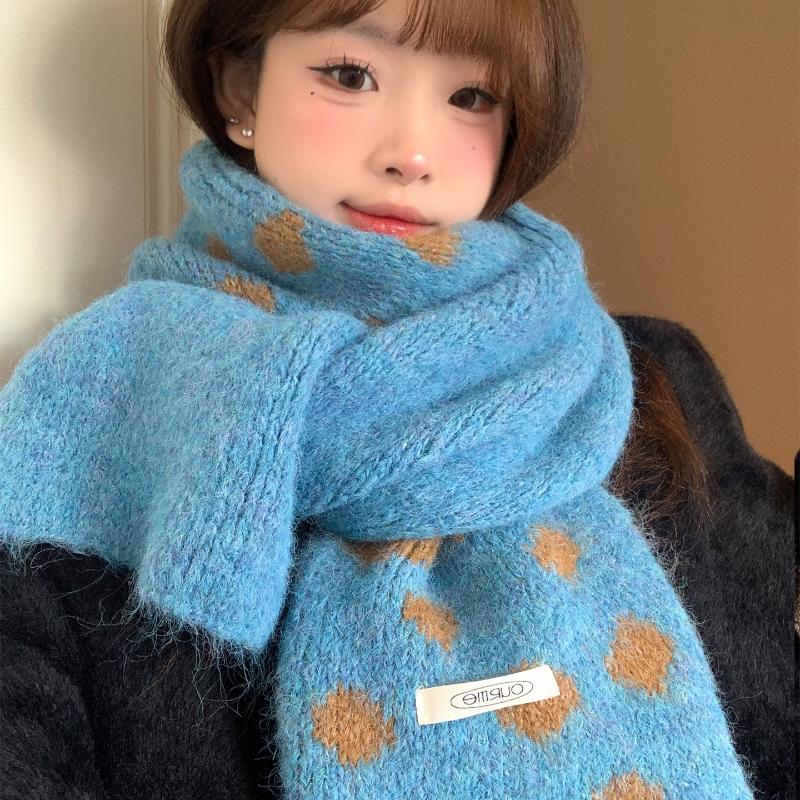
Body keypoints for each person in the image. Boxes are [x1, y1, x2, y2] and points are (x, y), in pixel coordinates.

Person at [0, 0, 786, 797]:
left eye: (472, 97)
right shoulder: (100, 402)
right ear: (238, 86)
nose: (410, 155)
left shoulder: (649, 381)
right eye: (350, 75)